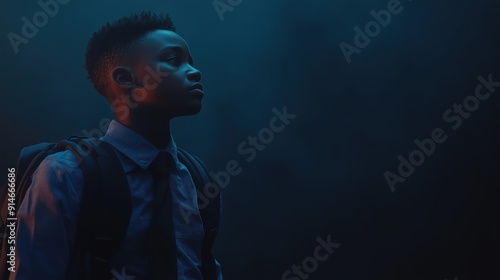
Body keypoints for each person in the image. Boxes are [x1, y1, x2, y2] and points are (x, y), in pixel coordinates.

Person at [10, 11, 222, 280]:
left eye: (191, 62)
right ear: (125, 79)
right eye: (173, 60)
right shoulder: (67, 175)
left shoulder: (196, 179)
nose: (194, 71)